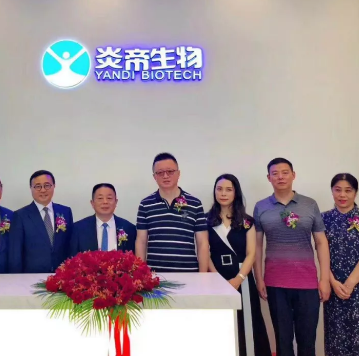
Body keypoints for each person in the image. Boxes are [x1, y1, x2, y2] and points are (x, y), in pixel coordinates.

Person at [254, 158, 331, 356]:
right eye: (275, 173)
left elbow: (321, 243)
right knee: (283, 342)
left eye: (285, 172)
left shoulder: (309, 204)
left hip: (307, 283)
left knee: (307, 342)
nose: (280, 177)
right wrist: (259, 278)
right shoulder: (261, 207)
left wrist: (324, 279)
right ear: (269, 178)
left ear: (293, 175)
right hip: (275, 283)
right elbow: (257, 246)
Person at [206, 174, 272, 356]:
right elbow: (205, 253)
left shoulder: (247, 221)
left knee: (248, 322)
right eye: (219, 189)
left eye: (228, 189)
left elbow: (252, 253)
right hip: (216, 279)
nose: (223, 193)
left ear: (236, 193)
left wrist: (239, 278)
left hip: (242, 278)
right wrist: (216, 278)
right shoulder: (206, 220)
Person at [135, 152, 209, 272]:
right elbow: (141, 242)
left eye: (170, 171)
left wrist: (203, 276)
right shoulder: (145, 204)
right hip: (155, 276)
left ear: (178, 174)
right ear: (154, 176)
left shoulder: (195, 203)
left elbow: (202, 243)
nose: (165, 176)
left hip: (189, 274)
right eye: (160, 172)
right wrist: (141, 274)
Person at [322, 173, 359, 356]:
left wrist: (350, 283)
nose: (342, 195)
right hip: (333, 287)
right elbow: (319, 253)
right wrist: (331, 281)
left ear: (355, 192)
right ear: (332, 191)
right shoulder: (323, 219)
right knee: (335, 336)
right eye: (338, 190)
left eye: (348, 190)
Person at [8, 170, 74, 273]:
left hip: (61, 274)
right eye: (38, 186)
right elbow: (15, 253)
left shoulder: (65, 212)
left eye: (47, 185)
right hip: (31, 276)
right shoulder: (20, 215)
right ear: (31, 188)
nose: (43, 190)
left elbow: (71, 246)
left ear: (54, 186)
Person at [70, 183, 136, 256]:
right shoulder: (78, 229)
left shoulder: (129, 229)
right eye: (100, 198)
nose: (105, 202)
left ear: (116, 202)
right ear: (92, 203)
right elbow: (72, 258)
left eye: (109, 198)